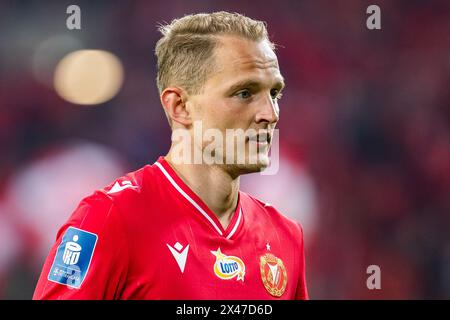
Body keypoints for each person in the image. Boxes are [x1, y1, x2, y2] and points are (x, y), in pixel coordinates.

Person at [33, 11, 308, 300]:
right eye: (244, 93)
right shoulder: (107, 218)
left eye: (274, 93)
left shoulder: (285, 236)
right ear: (180, 107)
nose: (270, 114)